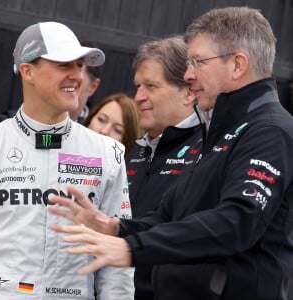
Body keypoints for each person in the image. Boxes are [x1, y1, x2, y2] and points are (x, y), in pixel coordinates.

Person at [48, 6, 293, 300]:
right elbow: (169, 217)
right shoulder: (217, 131)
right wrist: (115, 227)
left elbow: (237, 221)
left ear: (238, 65)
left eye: (198, 62)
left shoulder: (269, 130)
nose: (188, 75)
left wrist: (131, 248)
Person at [0, 21, 134, 299]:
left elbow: (116, 255)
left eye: (79, 66)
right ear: (27, 71)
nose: (77, 76)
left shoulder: (107, 152)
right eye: (63, 65)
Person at [125, 36, 203, 299]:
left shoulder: (207, 152)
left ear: (189, 92)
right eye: (137, 86)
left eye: (151, 86)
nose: (138, 97)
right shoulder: (139, 150)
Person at [69, 41, 102, 122]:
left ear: (92, 87)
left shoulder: (95, 132)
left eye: (79, 67)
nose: (67, 76)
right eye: (63, 66)